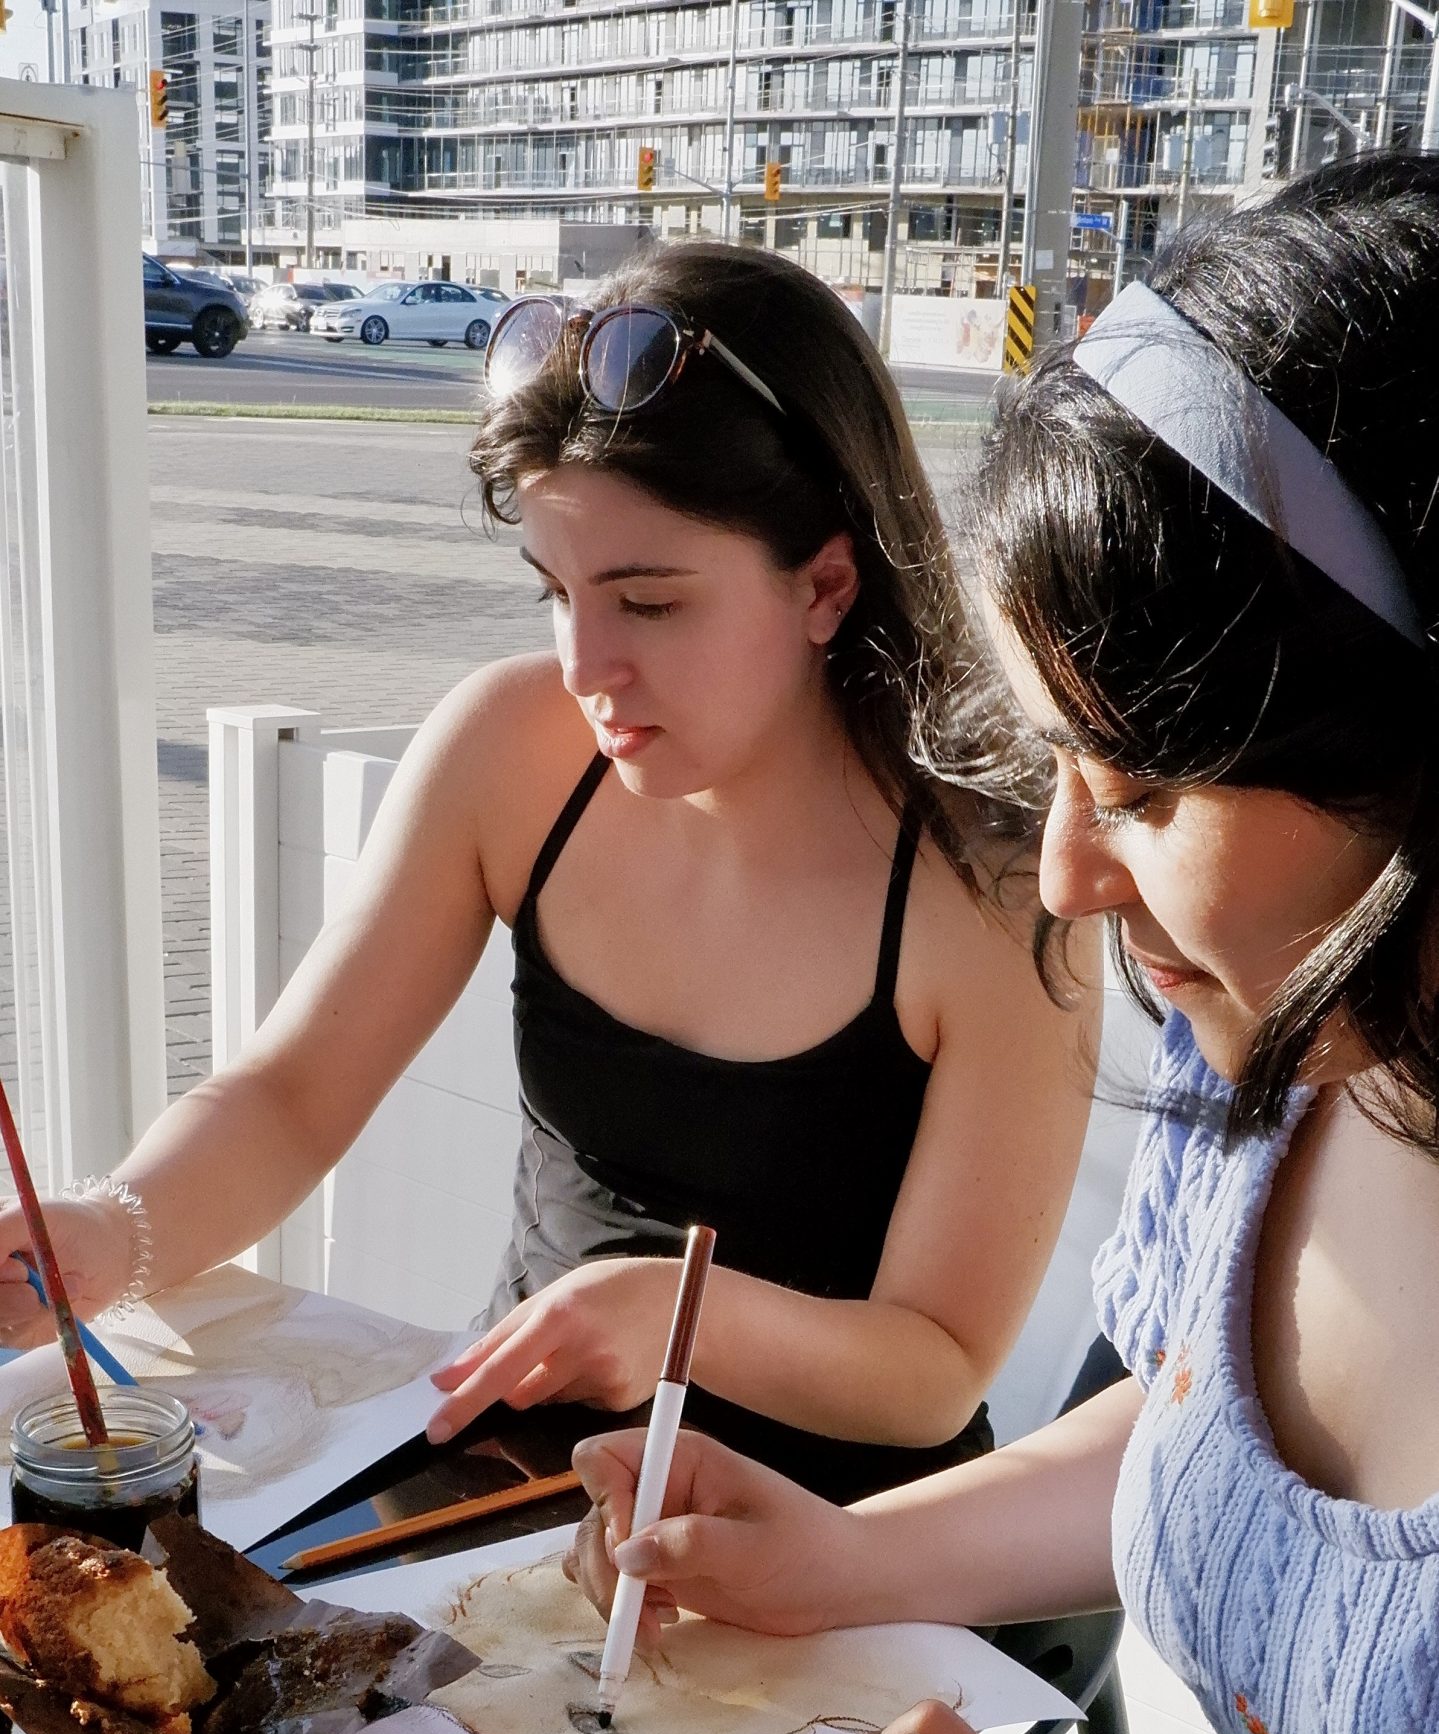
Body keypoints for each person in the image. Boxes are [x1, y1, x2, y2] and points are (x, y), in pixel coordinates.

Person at [566, 157, 1439, 1734]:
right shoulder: (1296, 1058)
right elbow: (1204, 1422)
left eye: (1137, 786)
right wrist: (839, 1556)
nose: (1060, 872)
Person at [0, 244, 1095, 1503]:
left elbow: (933, 1369)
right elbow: (293, 1095)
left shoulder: (996, 885)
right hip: (511, 1478)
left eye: (648, 603)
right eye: (556, 592)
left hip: (838, 1535)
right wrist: (113, 1233)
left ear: (825, 584)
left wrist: (676, 1316)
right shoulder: (511, 752)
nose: (584, 666)